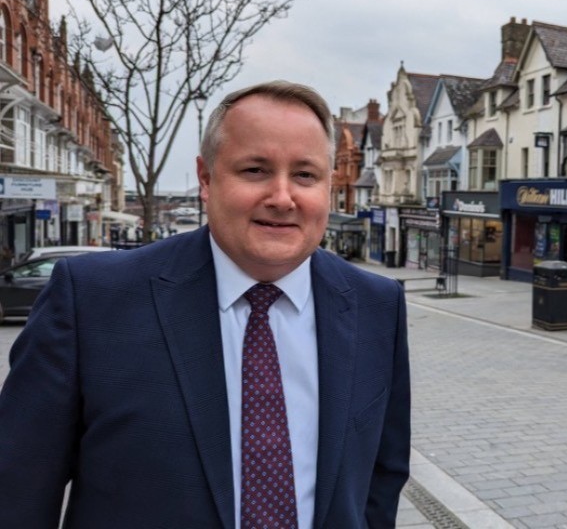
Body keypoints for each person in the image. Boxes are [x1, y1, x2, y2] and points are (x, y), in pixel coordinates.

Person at [0, 81, 411, 529]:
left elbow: (382, 476)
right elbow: (17, 488)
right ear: (206, 178)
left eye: (305, 175)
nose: (282, 197)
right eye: (255, 170)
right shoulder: (92, 299)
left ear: (328, 184)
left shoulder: (377, 305)